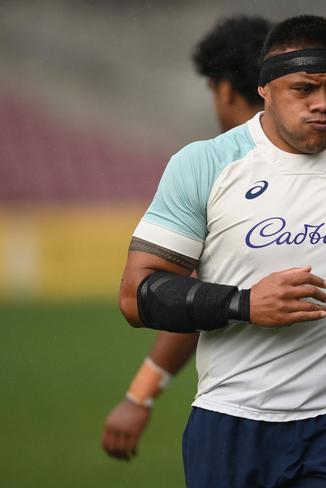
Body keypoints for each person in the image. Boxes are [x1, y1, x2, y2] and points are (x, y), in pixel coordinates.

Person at [118, 14, 326, 488]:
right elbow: (138, 295)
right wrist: (243, 303)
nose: (324, 104)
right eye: (304, 89)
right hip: (232, 420)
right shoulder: (205, 165)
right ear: (265, 89)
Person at [101, 15, 273, 461]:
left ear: (224, 90)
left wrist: (139, 396)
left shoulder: (218, 169)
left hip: (251, 413)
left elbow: (192, 298)